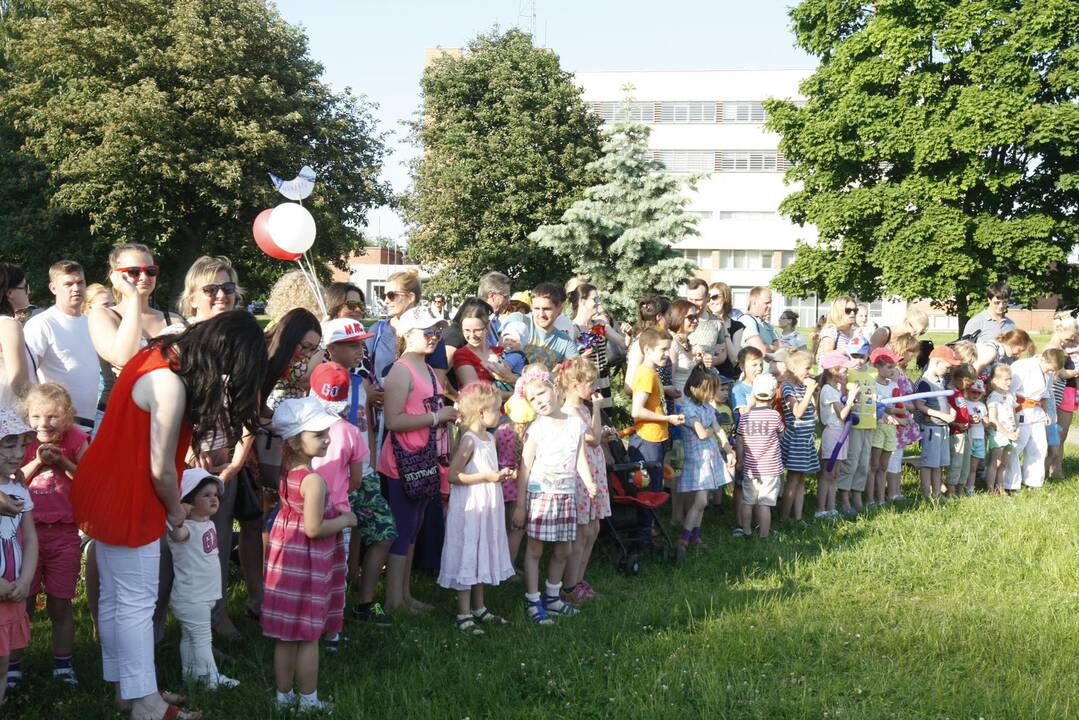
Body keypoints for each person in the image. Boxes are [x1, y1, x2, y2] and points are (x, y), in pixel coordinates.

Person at [72, 310, 266, 720]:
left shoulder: (154, 354)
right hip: (131, 496)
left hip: (104, 485)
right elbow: (161, 468)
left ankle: (127, 691)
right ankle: (146, 705)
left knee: (116, 598)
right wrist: (176, 512)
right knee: (136, 603)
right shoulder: (169, 384)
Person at [176, 255, 257, 640]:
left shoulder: (241, 338)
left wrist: (239, 458)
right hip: (187, 454)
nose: (221, 295)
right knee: (181, 541)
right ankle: (171, 623)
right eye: (211, 289)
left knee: (219, 539)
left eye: (228, 287)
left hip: (228, 455)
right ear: (192, 298)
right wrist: (189, 452)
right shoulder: (181, 342)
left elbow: (249, 405)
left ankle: (217, 615)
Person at [262, 397, 355, 713]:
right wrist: (344, 519)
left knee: (286, 636)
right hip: (307, 562)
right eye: (318, 434)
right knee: (308, 635)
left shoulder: (289, 470)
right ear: (294, 441)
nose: (327, 438)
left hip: (286, 559)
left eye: (326, 432)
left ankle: (282, 697)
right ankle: (308, 700)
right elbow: (314, 528)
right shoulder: (313, 480)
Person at [316, 319, 396, 628]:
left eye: (360, 343)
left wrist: (372, 463)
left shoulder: (361, 382)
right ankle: (329, 609)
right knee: (336, 544)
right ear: (331, 348)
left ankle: (364, 602)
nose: (359, 349)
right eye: (351, 345)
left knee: (383, 531)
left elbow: (369, 427)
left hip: (364, 471)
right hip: (334, 475)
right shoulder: (324, 381)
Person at [379, 306, 458, 614]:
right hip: (403, 461)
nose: (435, 337)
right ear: (407, 334)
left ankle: (405, 595)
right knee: (403, 528)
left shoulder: (425, 367)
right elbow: (394, 421)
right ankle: (393, 600)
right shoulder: (401, 370)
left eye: (438, 331)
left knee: (414, 528)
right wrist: (436, 416)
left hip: (424, 458)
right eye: (428, 332)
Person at [11, 383, 88, 689]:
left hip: (64, 534)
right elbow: (13, 478)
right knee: (22, 603)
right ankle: (14, 664)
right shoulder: (22, 443)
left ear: (67, 416)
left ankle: (63, 663)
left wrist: (63, 462)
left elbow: (89, 478)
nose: (44, 423)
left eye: (53, 416)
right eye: (36, 416)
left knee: (60, 603)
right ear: (27, 417)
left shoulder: (76, 439)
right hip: (25, 535)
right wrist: (40, 461)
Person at [511, 365, 596, 625]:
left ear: (554, 389)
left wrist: (590, 483)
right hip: (541, 495)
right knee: (535, 549)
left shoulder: (575, 423)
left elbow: (580, 457)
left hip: (566, 494)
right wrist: (520, 505)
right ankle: (533, 599)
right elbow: (524, 466)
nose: (539, 402)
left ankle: (553, 596)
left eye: (541, 394)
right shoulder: (536, 429)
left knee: (564, 549)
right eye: (532, 400)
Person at [438, 382, 515, 635]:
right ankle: (464, 612)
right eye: (496, 408)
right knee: (468, 552)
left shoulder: (489, 438)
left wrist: (499, 476)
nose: (501, 411)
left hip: (487, 505)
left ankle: (479, 607)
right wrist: (487, 477)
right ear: (481, 413)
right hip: (471, 506)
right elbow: (453, 476)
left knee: (482, 551)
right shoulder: (469, 441)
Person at [305, 362, 368, 650]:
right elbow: (356, 477)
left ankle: (305, 627)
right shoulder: (351, 432)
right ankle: (332, 634)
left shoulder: (301, 429)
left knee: (307, 572)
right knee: (334, 574)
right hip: (338, 512)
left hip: (302, 509)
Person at [88, 243, 187, 427]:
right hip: (125, 418)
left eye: (150, 271)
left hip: (171, 419)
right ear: (115, 276)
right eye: (134, 271)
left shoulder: (174, 320)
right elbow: (123, 357)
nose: (144, 277)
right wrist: (134, 298)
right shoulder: (103, 315)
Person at [166, 469, 238, 689]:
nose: (213, 498)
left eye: (215, 494)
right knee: (202, 638)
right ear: (189, 500)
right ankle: (210, 678)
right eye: (206, 495)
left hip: (202, 595)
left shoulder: (207, 524)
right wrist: (177, 517)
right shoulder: (186, 529)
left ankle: (191, 674)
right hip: (191, 597)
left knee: (189, 638)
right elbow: (174, 534)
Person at [555, 358, 611, 603]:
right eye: (590, 383)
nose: (594, 387)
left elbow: (595, 437)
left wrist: (601, 430)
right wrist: (599, 410)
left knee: (593, 528)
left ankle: (579, 579)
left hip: (594, 470)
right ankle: (569, 586)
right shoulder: (569, 412)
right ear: (575, 385)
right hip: (582, 475)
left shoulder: (583, 409)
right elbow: (593, 439)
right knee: (582, 531)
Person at [23, 261, 98, 433]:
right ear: (53, 288)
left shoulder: (92, 322)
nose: (76, 288)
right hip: (56, 426)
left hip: (90, 422)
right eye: (68, 284)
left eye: (80, 283)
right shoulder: (42, 323)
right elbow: (27, 374)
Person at [0, 409, 38, 709]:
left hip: (11, 591)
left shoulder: (18, 488)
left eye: (21, 444)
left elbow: (30, 538)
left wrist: (25, 579)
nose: (17, 453)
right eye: (8, 444)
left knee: (2, 665)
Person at [675, 364, 734, 556]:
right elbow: (702, 433)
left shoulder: (707, 407)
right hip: (697, 461)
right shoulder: (687, 409)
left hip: (709, 457)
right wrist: (713, 430)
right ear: (699, 390)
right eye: (712, 390)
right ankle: (683, 538)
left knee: (703, 500)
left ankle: (695, 536)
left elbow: (717, 430)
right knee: (700, 501)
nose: (715, 393)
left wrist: (728, 448)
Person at [629, 329, 685, 497]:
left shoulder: (652, 372)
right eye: (663, 349)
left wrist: (665, 389)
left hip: (655, 438)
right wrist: (668, 418)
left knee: (654, 486)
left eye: (668, 349)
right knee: (646, 489)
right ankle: (647, 523)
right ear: (647, 350)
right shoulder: (646, 373)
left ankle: (650, 522)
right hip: (647, 440)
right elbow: (637, 411)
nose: (667, 354)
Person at [1004, 348, 1066, 492]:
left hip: (1038, 412)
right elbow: (1009, 392)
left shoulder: (1048, 372)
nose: (1050, 372)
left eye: (1054, 370)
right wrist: (1009, 416)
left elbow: (1046, 394)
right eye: (1050, 369)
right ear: (1043, 359)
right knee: (1016, 448)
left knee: (1039, 447)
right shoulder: (1022, 366)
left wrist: (1048, 413)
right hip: (1020, 410)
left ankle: (1033, 482)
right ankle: (1010, 484)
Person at [738, 374, 784, 539]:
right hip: (770, 469)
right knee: (765, 503)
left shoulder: (745, 418)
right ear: (772, 396)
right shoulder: (775, 416)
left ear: (753, 394)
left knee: (748, 501)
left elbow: (740, 441)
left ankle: (746, 531)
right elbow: (781, 434)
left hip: (750, 467)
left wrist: (740, 460)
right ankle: (764, 535)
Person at [568, 282, 625, 413]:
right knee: (590, 419)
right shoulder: (572, 327)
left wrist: (628, 334)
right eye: (595, 299)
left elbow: (622, 343)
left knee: (606, 420)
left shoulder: (598, 325)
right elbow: (568, 362)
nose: (599, 303)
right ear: (582, 301)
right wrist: (582, 357)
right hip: (585, 383)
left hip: (602, 379)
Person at [817, 351, 859, 519]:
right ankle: (821, 509)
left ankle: (831, 507)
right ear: (834, 371)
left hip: (841, 434)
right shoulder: (828, 390)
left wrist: (851, 401)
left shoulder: (835, 390)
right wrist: (850, 400)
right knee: (827, 474)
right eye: (844, 370)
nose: (847, 373)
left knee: (835, 474)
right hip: (833, 434)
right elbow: (841, 415)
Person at [914, 347, 960, 498]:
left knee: (939, 463)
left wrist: (951, 411)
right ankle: (927, 494)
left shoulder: (940, 381)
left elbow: (944, 400)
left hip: (942, 427)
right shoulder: (925, 383)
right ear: (936, 362)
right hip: (931, 429)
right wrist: (941, 415)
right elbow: (919, 405)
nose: (948, 371)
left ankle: (937, 492)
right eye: (947, 367)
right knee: (929, 463)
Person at [836, 340, 876, 514]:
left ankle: (857, 493)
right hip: (854, 424)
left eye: (862, 356)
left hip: (870, 423)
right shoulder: (848, 374)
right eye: (855, 356)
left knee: (864, 462)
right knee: (851, 461)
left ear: (868, 355)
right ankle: (844, 495)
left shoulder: (872, 374)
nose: (858, 360)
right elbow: (842, 396)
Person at [778, 350, 819, 523]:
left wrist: (812, 393)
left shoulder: (803, 387)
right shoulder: (788, 387)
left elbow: (813, 413)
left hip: (805, 439)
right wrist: (810, 391)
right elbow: (797, 412)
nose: (810, 372)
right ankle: (784, 518)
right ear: (793, 369)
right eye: (807, 368)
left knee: (801, 480)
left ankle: (798, 516)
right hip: (795, 439)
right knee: (793, 479)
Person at [503, 283, 578, 369]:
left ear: (559, 309)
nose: (541, 314)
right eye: (536, 308)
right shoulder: (519, 320)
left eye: (547, 309)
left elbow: (577, 373)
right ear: (531, 307)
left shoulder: (565, 342)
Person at [886, 334, 922, 501]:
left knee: (898, 455)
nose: (913, 356)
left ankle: (896, 490)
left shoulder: (901, 372)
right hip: (897, 420)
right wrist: (910, 405)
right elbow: (896, 398)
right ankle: (893, 492)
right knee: (894, 456)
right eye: (911, 352)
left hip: (903, 418)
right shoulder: (895, 373)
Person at [867, 348, 903, 507]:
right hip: (877, 427)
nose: (892, 370)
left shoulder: (894, 385)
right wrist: (886, 411)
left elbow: (901, 407)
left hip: (891, 429)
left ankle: (881, 498)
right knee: (873, 465)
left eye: (893, 367)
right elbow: (871, 407)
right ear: (877, 366)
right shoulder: (872, 385)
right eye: (889, 367)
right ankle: (870, 499)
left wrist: (893, 412)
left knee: (883, 466)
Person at [1046, 313, 1078, 479]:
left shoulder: (1064, 347)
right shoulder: (1053, 349)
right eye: (1073, 333)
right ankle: (1051, 469)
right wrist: (1076, 371)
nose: (1075, 336)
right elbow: (1059, 372)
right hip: (1059, 393)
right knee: (1058, 433)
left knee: (1061, 433)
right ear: (1061, 331)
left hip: (1067, 391)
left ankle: (1057, 468)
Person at [0, 263, 35, 407]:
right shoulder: (8, 325)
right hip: (10, 416)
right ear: (9, 293)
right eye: (25, 287)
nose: (29, 291)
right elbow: (20, 384)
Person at [684, 278, 733, 374]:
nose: (693, 303)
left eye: (698, 300)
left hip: (706, 379)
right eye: (690, 299)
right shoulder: (678, 320)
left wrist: (714, 360)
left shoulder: (717, 323)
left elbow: (722, 353)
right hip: (682, 379)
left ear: (707, 298)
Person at [944, 364, 977, 497]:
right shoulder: (949, 392)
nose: (968, 387)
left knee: (965, 463)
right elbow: (947, 414)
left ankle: (961, 487)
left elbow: (961, 411)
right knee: (956, 462)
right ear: (959, 379)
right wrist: (955, 424)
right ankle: (951, 488)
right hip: (955, 434)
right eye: (967, 383)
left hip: (965, 432)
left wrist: (969, 418)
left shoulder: (959, 393)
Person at [985, 364, 1018, 494]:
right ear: (995, 381)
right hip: (999, 434)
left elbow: (1014, 414)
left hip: (1010, 433)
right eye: (1005, 379)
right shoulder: (993, 396)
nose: (1009, 382)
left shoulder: (1010, 396)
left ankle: (1001, 487)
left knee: (1004, 463)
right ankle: (990, 487)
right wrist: (1007, 433)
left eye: (1010, 379)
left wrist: (1016, 430)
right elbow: (993, 419)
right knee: (996, 462)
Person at [739, 287, 781, 356]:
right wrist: (776, 349)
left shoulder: (766, 324)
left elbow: (781, 347)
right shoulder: (746, 320)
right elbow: (761, 349)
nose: (770, 306)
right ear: (754, 302)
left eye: (770, 302)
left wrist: (771, 347)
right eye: (767, 303)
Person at [815, 296, 859, 361]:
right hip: (829, 371)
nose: (852, 313)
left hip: (843, 370)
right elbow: (827, 355)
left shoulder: (853, 332)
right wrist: (846, 351)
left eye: (855, 310)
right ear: (839, 311)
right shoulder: (831, 330)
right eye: (848, 310)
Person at [965, 380, 989, 495]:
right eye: (973, 392)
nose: (975, 395)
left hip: (979, 437)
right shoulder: (964, 403)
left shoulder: (982, 406)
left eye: (978, 393)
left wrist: (986, 421)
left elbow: (985, 420)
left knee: (974, 466)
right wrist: (969, 419)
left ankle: (970, 488)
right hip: (968, 436)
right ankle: (962, 486)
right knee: (966, 465)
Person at [477, 271, 512, 341]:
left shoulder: (495, 321)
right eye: (505, 297)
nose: (508, 302)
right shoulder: (476, 322)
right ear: (492, 295)